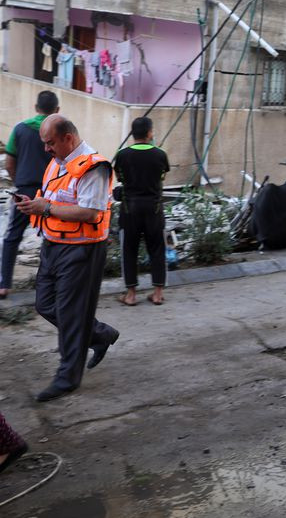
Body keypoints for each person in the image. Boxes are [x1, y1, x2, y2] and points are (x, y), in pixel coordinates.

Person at [13, 115, 119, 402]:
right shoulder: (58, 163)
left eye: (50, 143)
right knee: (45, 304)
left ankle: (68, 377)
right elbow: (55, 201)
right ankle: (99, 334)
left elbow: (90, 212)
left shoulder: (94, 167)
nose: (46, 149)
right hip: (53, 245)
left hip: (81, 250)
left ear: (68, 139)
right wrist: (32, 206)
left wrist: (45, 207)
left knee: (72, 314)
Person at [1, 91, 58, 299]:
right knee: (52, 236)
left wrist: (18, 181)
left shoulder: (20, 129)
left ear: (36, 108)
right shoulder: (60, 130)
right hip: (51, 194)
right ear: (57, 110)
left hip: (24, 191)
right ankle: (52, 283)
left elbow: (9, 161)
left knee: (12, 237)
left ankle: (4, 285)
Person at [114, 117, 170, 306]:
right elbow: (162, 175)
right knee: (157, 249)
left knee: (129, 250)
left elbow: (120, 177)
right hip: (154, 208)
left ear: (133, 134)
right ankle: (157, 294)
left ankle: (130, 295)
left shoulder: (122, 154)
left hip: (130, 209)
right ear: (149, 133)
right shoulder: (160, 154)